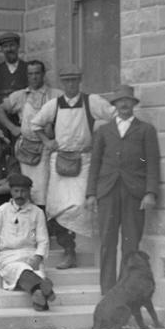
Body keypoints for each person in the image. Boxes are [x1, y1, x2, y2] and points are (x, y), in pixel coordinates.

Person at [30, 64, 115, 270]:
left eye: (74, 80)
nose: (70, 84)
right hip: (59, 161)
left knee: (79, 205)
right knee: (56, 208)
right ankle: (69, 251)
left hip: (84, 160)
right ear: (62, 83)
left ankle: (82, 247)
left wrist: (97, 140)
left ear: (79, 81)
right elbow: (35, 124)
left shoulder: (90, 101)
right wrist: (48, 142)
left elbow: (114, 116)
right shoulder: (54, 104)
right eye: (66, 80)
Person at [86, 85, 161, 294]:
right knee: (107, 243)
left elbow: (152, 163)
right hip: (107, 191)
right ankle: (107, 292)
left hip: (134, 193)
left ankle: (124, 291)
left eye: (128, 101)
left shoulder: (146, 130)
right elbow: (95, 163)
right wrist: (91, 193)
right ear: (115, 105)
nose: (124, 105)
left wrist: (150, 192)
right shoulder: (103, 131)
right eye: (120, 101)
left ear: (133, 104)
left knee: (131, 244)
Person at [0, 173, 56, 311]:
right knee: (20, 270)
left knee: (34, 271)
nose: (20, 195)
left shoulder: (37, 212)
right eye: (16, 191)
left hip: (31, 255)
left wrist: (38, 257)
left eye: (23, 191)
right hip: (9, 256)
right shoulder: (2, 211)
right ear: (11, 191)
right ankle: (45, 291)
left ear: (29, 191)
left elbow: (43, 239)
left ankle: (39, 297)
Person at [0, 60, 62, 208]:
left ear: (43, 74)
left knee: (44, 188)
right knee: (27, 187)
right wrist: (12, 128)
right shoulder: (20, 96)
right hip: (27, 149)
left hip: (47, 148)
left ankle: (44, 222)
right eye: (30, 74)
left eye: (37, 73)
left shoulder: (55, 95)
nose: (34, 77)